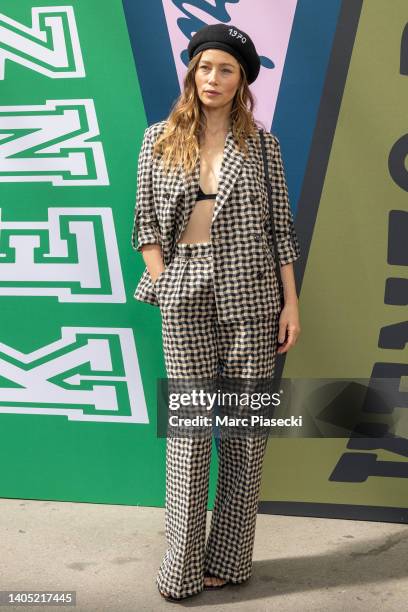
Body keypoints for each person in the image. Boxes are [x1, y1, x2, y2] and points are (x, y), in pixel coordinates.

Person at [131, 23, 301, 601]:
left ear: (243, 81)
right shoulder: (158, 139)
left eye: (226, 69)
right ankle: (179, 568)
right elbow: (145, 226)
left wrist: (291, 304)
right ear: (192, 72)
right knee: (188, 433)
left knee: (245, 433)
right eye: (206, 67)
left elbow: (281, 230)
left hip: (253, 297)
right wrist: (167, 284)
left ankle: (230, 559)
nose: (213, 78)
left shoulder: (264, 146)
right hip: (184, 293)